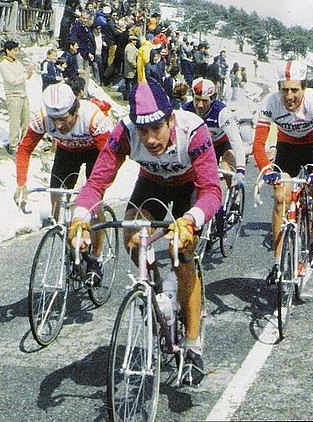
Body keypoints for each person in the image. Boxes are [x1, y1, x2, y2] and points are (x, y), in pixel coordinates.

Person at [70, 82, 221, 386]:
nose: (151, 139)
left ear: (171, 120)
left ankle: (192, 347)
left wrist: (190, 220)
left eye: (157, 129)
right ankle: (153, 288)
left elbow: (212, 191)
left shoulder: (194, 129)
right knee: (132, 235)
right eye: (144, 131)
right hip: (150, 182)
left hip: (188, 188)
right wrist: (80, 218)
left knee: (182, 255)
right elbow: (97, 183)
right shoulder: (124, 132)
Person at [14, 83, 112, 283]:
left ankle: (95, 259)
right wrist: (21, 184)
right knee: (57, 208)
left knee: (93, 205)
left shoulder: (92, 118)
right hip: (67, 153)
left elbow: (109, 159)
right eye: (54, 120)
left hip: (97, 153)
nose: (57, 126)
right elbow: (24, 149)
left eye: (63, 119)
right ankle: (74, 250)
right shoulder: (42, 117)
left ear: (75, 111)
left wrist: (93, 191)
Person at [252, 61, 313, 276]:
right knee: (281, 196)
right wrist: (266, 170)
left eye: (294, 90)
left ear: (304, 88)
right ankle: (277, 262)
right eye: (285, 90)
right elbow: (258, 144)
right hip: (288, 146)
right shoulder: (271, 102)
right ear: (278, 89)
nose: (289, 96)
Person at [182, 77, 246, 189]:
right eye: (197, 100)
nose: (200, 105)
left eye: (205, 101)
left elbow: (236, 141)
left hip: (223, 143)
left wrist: (240, 170)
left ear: (213, 99)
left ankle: (233, 194)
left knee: (226, 169)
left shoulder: (222, 112)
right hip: (204, 145)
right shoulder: (185, 110)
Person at [0, 40, 34, 155]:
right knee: (14, 121)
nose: (16, 52)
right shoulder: (4, 65)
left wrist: (28, 73)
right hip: (13, 95)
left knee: (26, 120)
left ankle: (24, 144)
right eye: (14, 50)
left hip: (23, 94)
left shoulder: (17, 62)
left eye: (17, 50)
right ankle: (13, 146)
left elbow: (23, 76)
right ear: (7, 51)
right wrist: (25, 75)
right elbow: (13, 81)